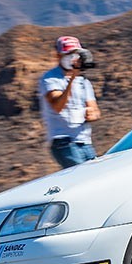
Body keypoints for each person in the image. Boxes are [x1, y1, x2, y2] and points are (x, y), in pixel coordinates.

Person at [38, 36, 101, 169]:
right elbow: (57, 106)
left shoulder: (84, 81)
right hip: (64, 142)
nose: (72, 57)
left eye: (75, 54)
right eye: (68, 54)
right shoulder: (50, 78)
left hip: (85, 141)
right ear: (58, 55)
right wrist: (72, 78)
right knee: (83, 178)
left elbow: (95, 111)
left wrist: (91, 114)